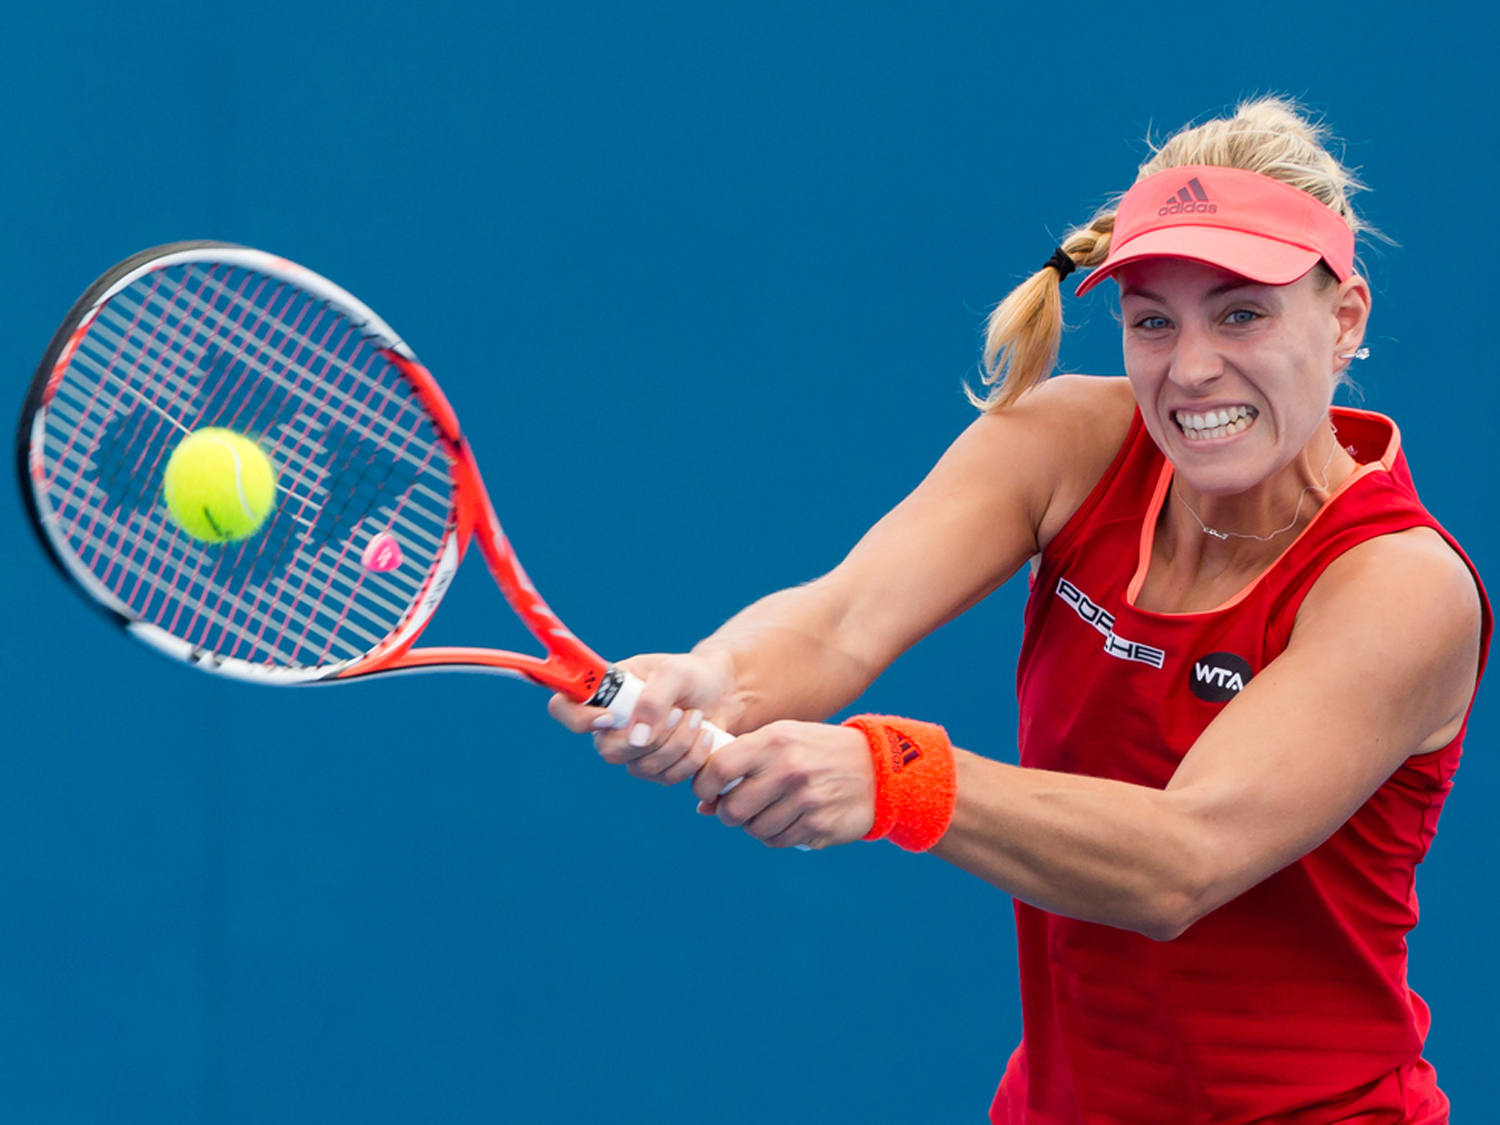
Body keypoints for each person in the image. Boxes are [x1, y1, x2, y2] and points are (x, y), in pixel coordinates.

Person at [550, 98, 1491, 1124]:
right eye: (1151, 320)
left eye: (1241, 312)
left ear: (1345, 317)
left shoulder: (1401, 587)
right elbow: (840, 619)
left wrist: (895, 778)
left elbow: (1185, 859)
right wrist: (712, 679)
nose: (1190, 367)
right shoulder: (1068, 445)